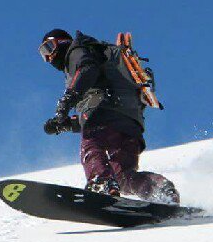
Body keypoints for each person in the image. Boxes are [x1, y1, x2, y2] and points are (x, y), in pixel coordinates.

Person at [38, 29, 180, 204]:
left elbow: (87, 70)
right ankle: (160, 190)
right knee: (123, 177)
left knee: (91, 145)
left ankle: (101, 184)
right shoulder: (100, 59)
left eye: (48, 48)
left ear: (61, 42)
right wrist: (66, 124)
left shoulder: (76, 51)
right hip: (130, 121)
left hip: (107, 110)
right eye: (43, 54)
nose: (48, 57)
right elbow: (91, 115)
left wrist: (65, 103)